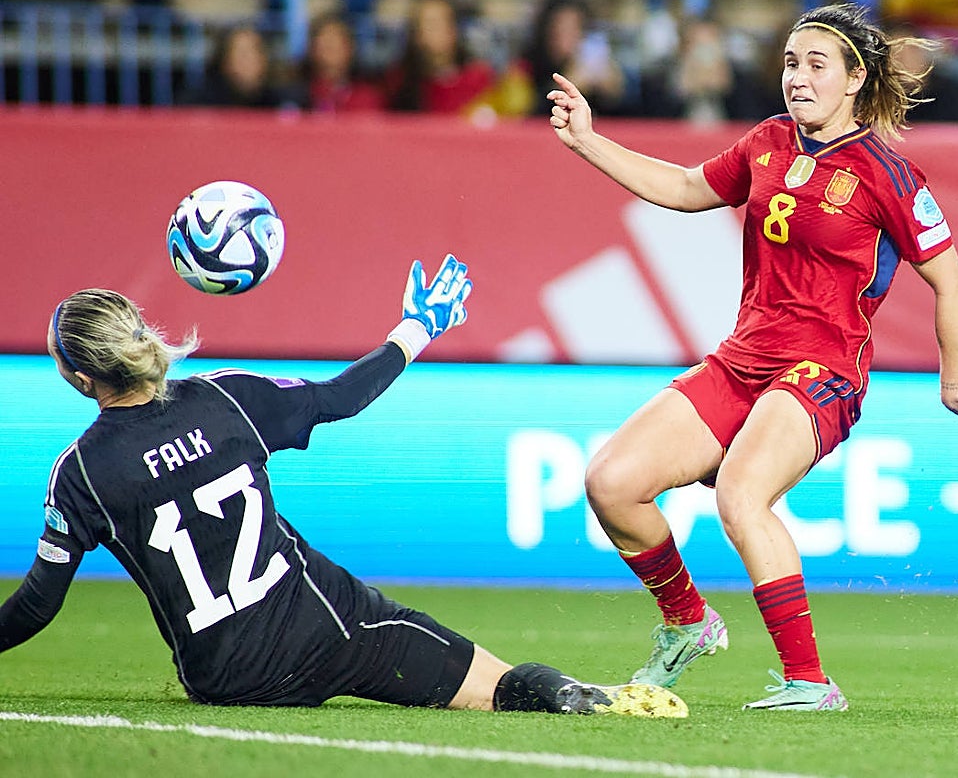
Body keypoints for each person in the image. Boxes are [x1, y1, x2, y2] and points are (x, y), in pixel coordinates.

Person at [546, 2, 958, 711]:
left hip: (822, 370)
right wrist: (588, 143)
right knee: (611, 483)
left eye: (817, 64)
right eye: (790, 63)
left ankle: (810, 683)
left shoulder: (886, 173)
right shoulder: (767, 143)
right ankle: (688, 623)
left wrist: (956, 379)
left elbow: (951, 278)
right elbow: (689, 189)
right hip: (741, 358)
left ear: (854, 80)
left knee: (741, 493)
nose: (798, 77)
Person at [0, 257, 686, 719]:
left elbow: (35, 605)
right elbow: (340, 398)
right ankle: (574, 694)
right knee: (499, 685)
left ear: (77, 377)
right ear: (140, 333)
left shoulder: (81, 474)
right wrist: (418, 326)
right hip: (329, 633)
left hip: (224, 681)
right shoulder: (227, 398)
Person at [384, 0, 498, 115]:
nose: (440, 29)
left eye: (445, 21)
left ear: (454, 30)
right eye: (431, 23)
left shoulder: (479, 78)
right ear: (416, 34)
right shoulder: (398, 84)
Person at [519, 0, 628, 118]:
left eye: (574, 29)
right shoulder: (527, 66)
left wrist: (613, 95)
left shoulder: (595, 65)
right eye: (561, 30)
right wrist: (562, 92)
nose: (567, 37)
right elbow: (522, 116)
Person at [178, 24, 297, 110]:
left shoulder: (282, 102)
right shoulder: (201, 102)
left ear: (264, 59)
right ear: (224, 61)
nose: (247, 61)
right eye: (240, 53)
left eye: (253, 52)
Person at [298, 13, 386, 113]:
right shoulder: (299, 96)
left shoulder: (367, 97)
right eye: (324, 44)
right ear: (312, 49)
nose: (330, 49)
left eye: (336, 43)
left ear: (350, 48)